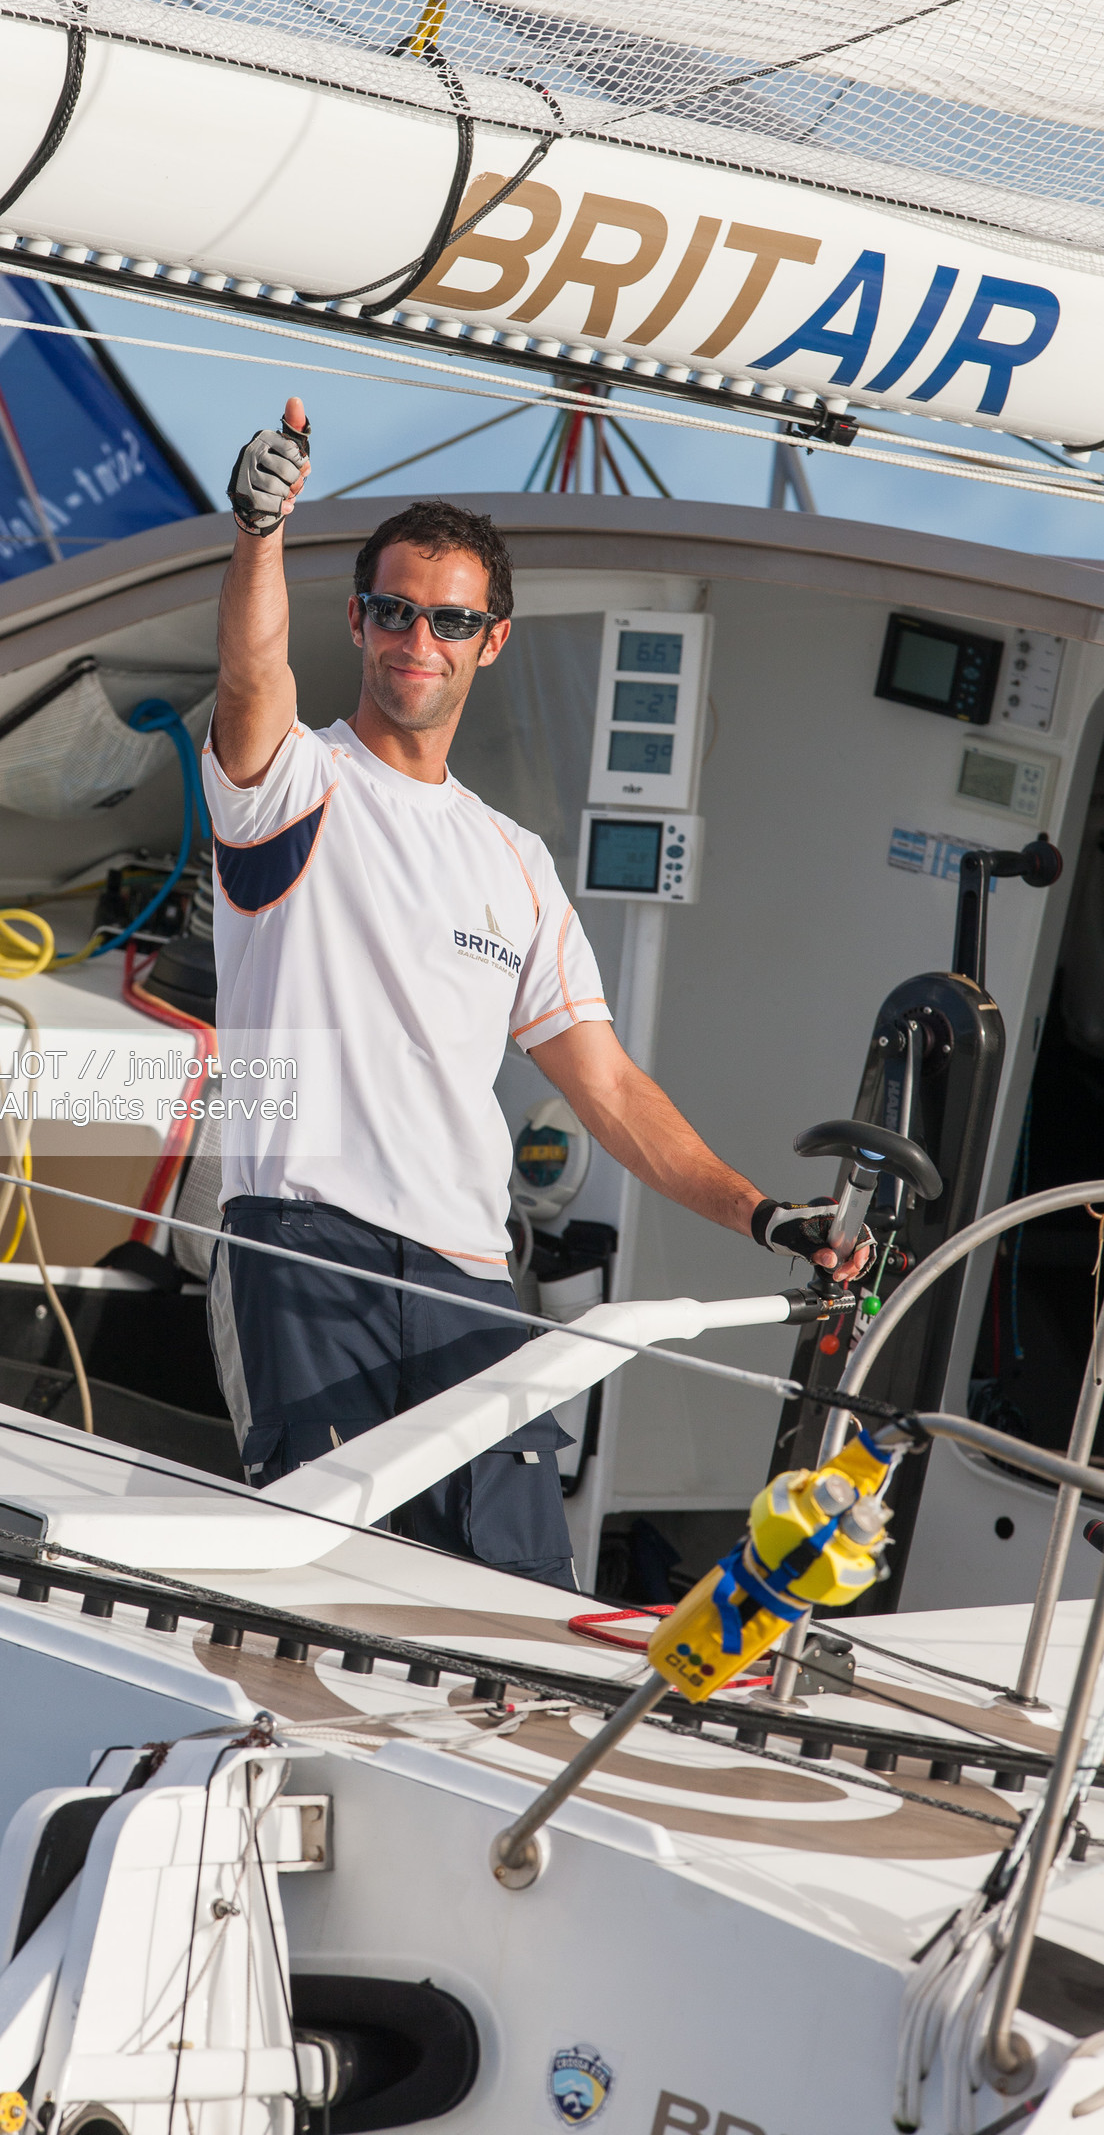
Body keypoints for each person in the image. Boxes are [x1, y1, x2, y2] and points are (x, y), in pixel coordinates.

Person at [201, 396, 862, 1587]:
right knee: (320, 1587)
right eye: (395, 612)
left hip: (468, 1275)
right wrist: (259, 531)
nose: (419, 640)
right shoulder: (288, 784)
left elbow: (607, 1086)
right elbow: (251, 679)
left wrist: (762, 1215)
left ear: (489, 641)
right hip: (305, 1252)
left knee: (513, 1599)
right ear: (356, 622)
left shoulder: (513, 861)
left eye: (449, 620)